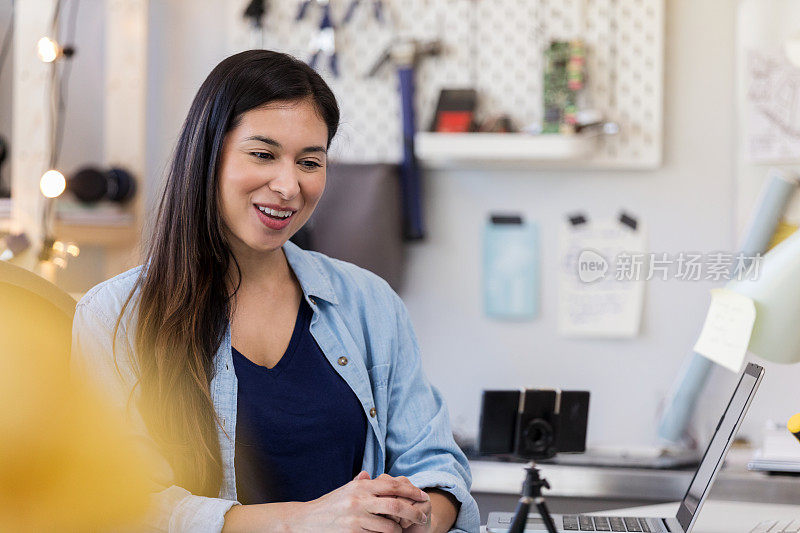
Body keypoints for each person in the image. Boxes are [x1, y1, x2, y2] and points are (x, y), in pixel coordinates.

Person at [71, 49, 479, 533]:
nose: (289, 186)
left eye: (310, 161)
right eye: (263, 154)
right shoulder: (113, 315)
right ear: (209, 154)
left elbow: (436, 465)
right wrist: (305, 521)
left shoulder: (369, 302)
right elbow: (123, 507)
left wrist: (419, 518)